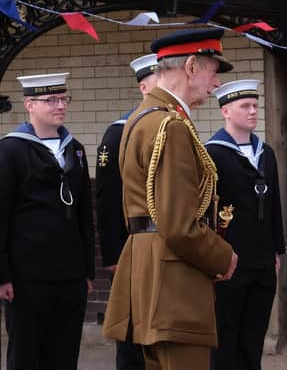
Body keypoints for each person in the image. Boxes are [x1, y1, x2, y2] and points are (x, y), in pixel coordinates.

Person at [102, 29, 238, 370]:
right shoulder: (170, 126)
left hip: (148, 269)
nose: (216, 83)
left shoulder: (143, 118)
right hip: (172, 279)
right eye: (212, 70)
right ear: (191, 66)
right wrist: (223, 256)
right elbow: (178, 225)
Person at [0, 72, 94, 369]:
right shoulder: (10, 149)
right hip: (27, 275)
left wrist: (87, 271)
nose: (60, 105)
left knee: (64, 352)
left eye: (63, 98)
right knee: (26, 352)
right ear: (29, 104)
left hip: (70, 273)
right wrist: (2, 274)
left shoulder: (75, 148)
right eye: (50, 100)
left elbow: (83, 213)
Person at [206, 79, 285, 370]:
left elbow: (274, 202)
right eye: (245, 106)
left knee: (254, 334)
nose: (253, 111)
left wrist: (277, 248)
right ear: (226, 111)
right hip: (230, 260)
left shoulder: (266, 152)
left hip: (263, 260)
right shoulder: (212, 153)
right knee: (225, 336)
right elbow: (207, 212)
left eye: (255, 105)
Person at [96, 53, 158, 370]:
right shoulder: (119, 131)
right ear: (145, 88)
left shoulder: (167, 125)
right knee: (132, 328)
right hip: (131, 247)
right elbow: (107, 200)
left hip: (159, 247)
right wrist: (113, 255)